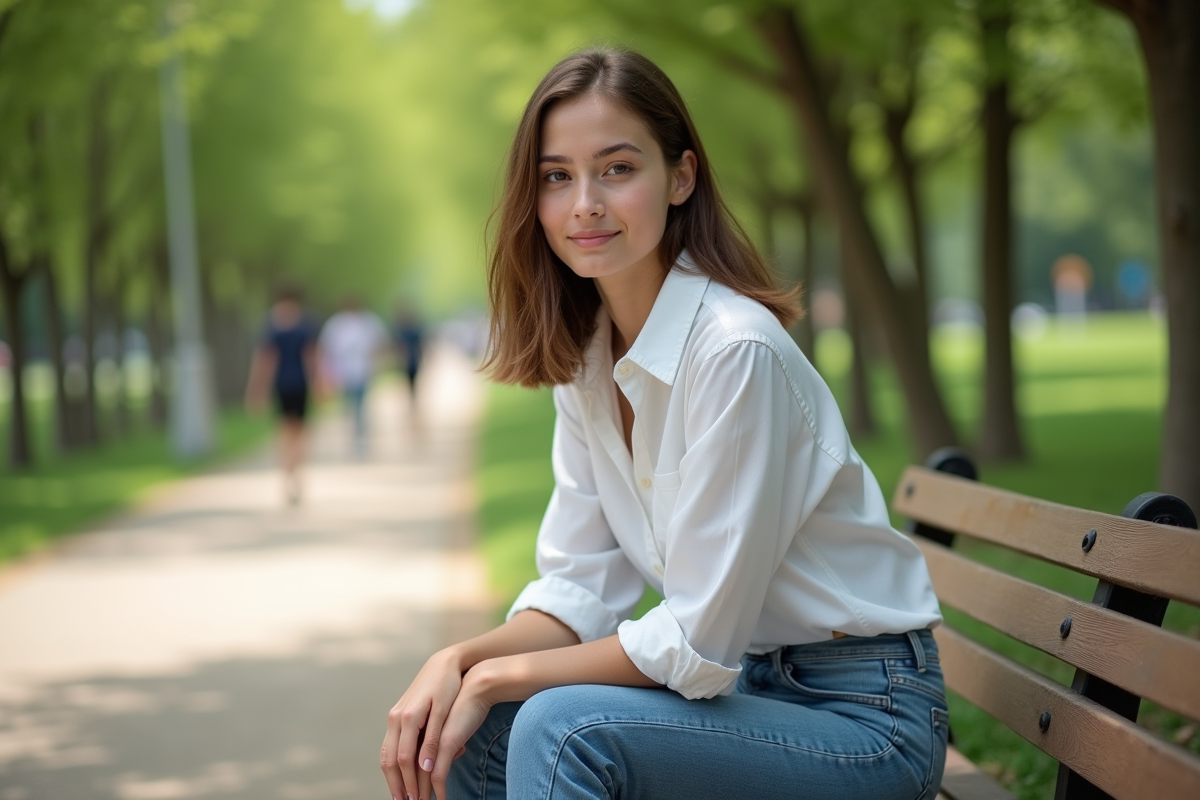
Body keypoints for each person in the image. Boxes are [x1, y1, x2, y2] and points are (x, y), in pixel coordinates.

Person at [380, 49, 948, 800]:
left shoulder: (734, 352)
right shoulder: (588, 365)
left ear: (680, 177)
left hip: (865, 723)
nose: (584, 202)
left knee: (559, 727)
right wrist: (458, 662)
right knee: (476, 733)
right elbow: (580, 587)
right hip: (757, 698)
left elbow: (696, 642)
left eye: (617, 168)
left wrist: (501, 675)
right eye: (557, 176)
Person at [245, 283, 317, 505]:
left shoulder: (271, 325)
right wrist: (319, 383)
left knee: (284, 432)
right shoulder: (305, 323)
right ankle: (298, 477)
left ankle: (287, 476)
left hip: (281, 386)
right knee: (300, 433)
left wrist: (256, 390)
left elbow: (265, 361)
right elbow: (311, 357)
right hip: (301, 385)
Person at [318, 296, 388, 456]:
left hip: (363, 371)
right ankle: (354, 437)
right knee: (350, 406)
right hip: (344, 372)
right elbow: (327, 348)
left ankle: (360, 439)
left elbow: (379, 344)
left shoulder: (368, 322)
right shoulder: (336, 324)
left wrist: (376, 362)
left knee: (360, 406)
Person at [392, 302, 425, 406]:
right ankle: (408, 401)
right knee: (404, 383)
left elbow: (419, 344)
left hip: (413, 360)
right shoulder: (399, 330)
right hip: (403, 361)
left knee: (413, 382)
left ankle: (412, 401)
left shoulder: (413, 330)